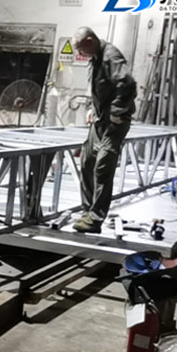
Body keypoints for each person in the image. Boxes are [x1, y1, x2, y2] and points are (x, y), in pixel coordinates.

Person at [71, 26, 137, 234]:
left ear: (90, 41)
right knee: (87, 161)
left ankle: (95, 218)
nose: (80, 53)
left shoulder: (110, 56)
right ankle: (87, 211)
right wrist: (93, 108)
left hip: (115, 122)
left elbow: (128, 84)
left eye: (81, 48)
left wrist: (117, 112)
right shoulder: (95, 58)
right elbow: (100, 87)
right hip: (100, 120)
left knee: (103, 165)